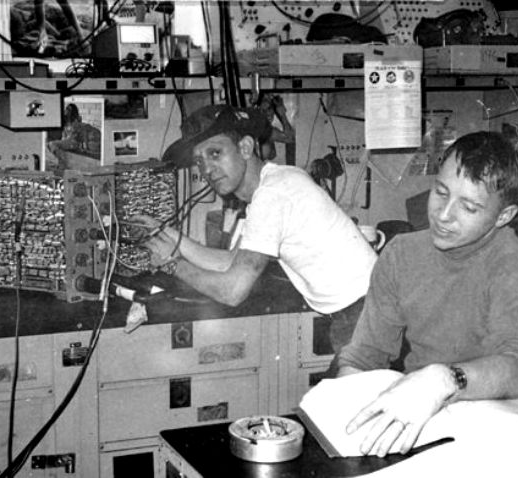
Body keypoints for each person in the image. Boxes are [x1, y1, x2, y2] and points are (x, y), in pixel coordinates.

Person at [336, 131, 518, 457]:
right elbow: (364, 356)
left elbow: (517, 367)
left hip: (497, 422)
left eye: (468, 206)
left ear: (503, 217)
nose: (443, 214)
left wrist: (444, 379)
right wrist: (344, 417)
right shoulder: (401, 254)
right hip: (420, 412)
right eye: (440, 192)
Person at [133, 104, 377, 375]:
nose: (207, 169)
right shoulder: (277, 183)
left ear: (246, 148)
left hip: (367, 317)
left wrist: (171, 264)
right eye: (200, 160)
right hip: (362, 314)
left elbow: (232, 291)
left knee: (343, 413)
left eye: (215, 153)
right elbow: (228, 262)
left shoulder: (273, 195)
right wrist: (167, 233)